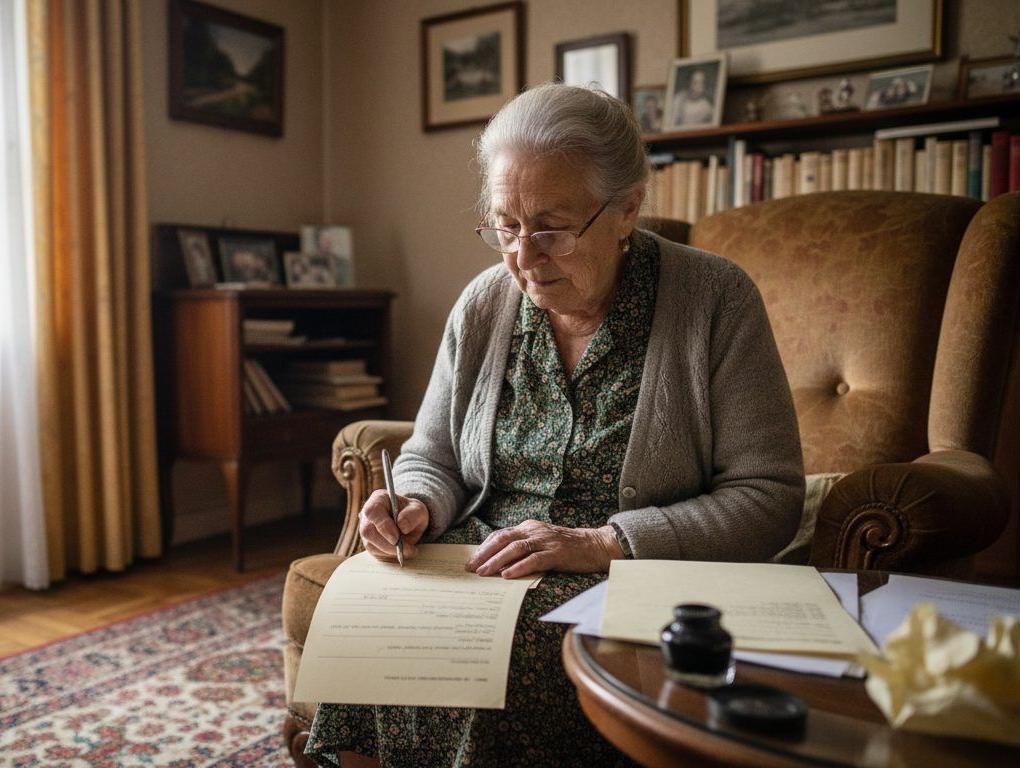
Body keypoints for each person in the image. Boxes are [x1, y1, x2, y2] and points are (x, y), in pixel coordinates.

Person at [303, 82, 803, 767]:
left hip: (627, 577)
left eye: (552, 229)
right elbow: (430, 453)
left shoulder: (715, 300)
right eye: (505, 227)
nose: (524, 257)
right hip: (482, 562)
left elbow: (770, 498)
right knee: (369, 625)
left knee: (514, 661)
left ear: (626, 209)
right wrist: (414, 502)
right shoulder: (484, 304)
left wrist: (602, 543)